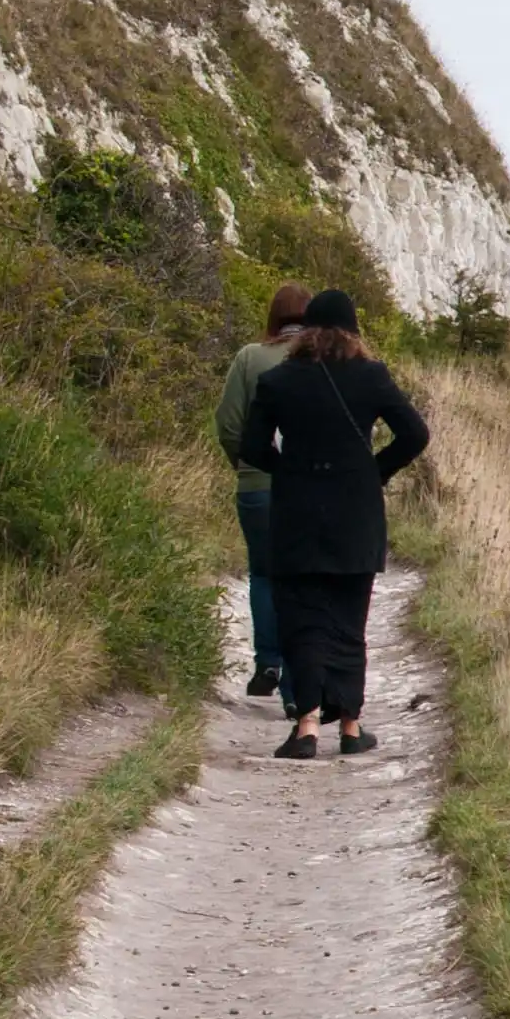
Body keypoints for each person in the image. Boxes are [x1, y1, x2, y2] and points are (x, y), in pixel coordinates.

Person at [235, 289, 429, 759]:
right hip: (355, 510)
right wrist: (375, 470)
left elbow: (254, 447)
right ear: (352, 332)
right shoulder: (371, 376)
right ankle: (349, 726)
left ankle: (304, 727)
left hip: (297, 510)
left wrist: (287, 471)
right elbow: (415, 434)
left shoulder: (280, 381)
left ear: (305, 334)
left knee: (301, 617)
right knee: (348, 617)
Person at [210, 282, 313, 706]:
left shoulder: (250, 358)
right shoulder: (323, 361)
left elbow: (228, 422)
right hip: (308, 488)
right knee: (303, 580)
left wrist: (248, 464)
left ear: (274, 317)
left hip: (257, 487)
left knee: (264, 574)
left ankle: (267, 661)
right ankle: (297, 680)